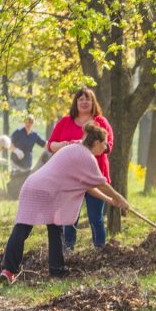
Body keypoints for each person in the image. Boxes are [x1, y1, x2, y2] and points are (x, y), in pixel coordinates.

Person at [0, 122, 129, 284]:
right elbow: (101, 183)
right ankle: (56, 272)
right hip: (47, 191)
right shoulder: (87, 157)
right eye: (104, 144)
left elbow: (87, 185)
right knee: (55, 229)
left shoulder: (73, 148)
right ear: (96, 143)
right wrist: (121, 199)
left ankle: (8, 270)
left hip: (32, 186)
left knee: (22, 229)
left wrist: (110, 200)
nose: (105, 149)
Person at [47, 87, 114, 252]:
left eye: (88, 99)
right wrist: (62, 145)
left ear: (93, 103)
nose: (84, 102)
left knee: (95, 217)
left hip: (94, 176)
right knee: (70, 216)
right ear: (75, 102)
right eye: (81, 99)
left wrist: (84, 145)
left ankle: (100, 250)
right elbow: (50, 145)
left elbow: (108, 146)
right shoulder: (65, 122)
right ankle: (68, 249)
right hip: (71, 178)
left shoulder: (101, 122)